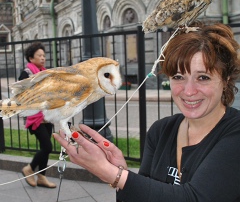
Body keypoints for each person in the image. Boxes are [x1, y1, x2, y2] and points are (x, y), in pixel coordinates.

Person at [53, 22, 240, 201]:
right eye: (178, 77)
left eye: (203, 77)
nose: (189, 90)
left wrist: (114, 175)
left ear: (225, 80)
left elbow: (194, 198)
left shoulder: (234, 132)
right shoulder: (161, 131)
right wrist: (119, 169)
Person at [20, 42, 56, 188]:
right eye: (39, 55)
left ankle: (41, 177)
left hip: (47, 115)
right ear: (30, 58)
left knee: (45, 147)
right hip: (34, 116)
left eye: (44, 55)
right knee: (47, 147)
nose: (43, 58)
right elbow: (21, 95)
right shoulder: (26, 73)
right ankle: (29, 168)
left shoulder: (45, 72)